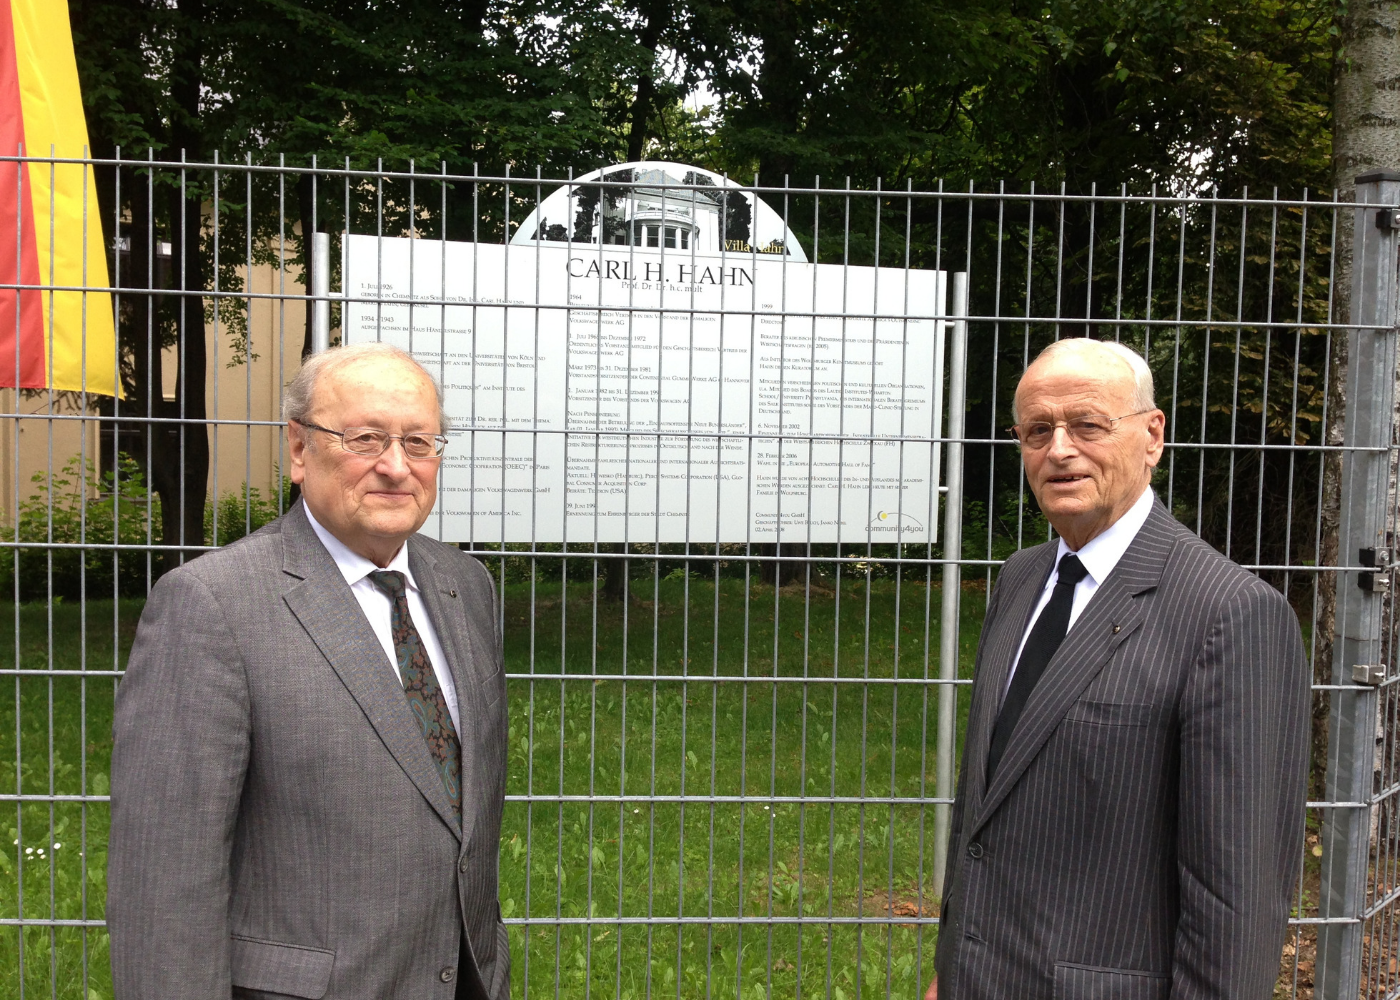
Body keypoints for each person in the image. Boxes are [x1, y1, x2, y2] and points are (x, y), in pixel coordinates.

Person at [108, 343, 509, 1000]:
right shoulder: (212, 606)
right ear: (299, 450)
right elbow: (163, 886)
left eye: (419, 442)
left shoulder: (467, 588)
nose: (395, 467)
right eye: (366, 439)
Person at [926, 338, 1307, 1000]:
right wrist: (951, 969)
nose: (1060, 450)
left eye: (1088, 425)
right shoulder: (1020, 580)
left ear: (1152, 435)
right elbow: (987, 804)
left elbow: (1237, 904)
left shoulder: (1231, 614)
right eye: (1038, 431)